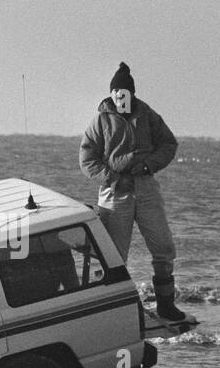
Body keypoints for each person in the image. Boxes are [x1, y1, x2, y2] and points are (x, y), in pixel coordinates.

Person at [79, 62, 187, 322]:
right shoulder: (101, 119)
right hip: (115, 192)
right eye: (117, 93)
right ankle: (110, 314)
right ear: (112, 94)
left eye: (125, 93)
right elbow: (87, 159)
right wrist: (113, 178)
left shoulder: (147, 114)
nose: (121, 97)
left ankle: (165, 306)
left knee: (163, 247)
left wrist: (150, 164)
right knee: (113, 255)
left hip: (146, 187)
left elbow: (168, 144)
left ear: (132, 94)